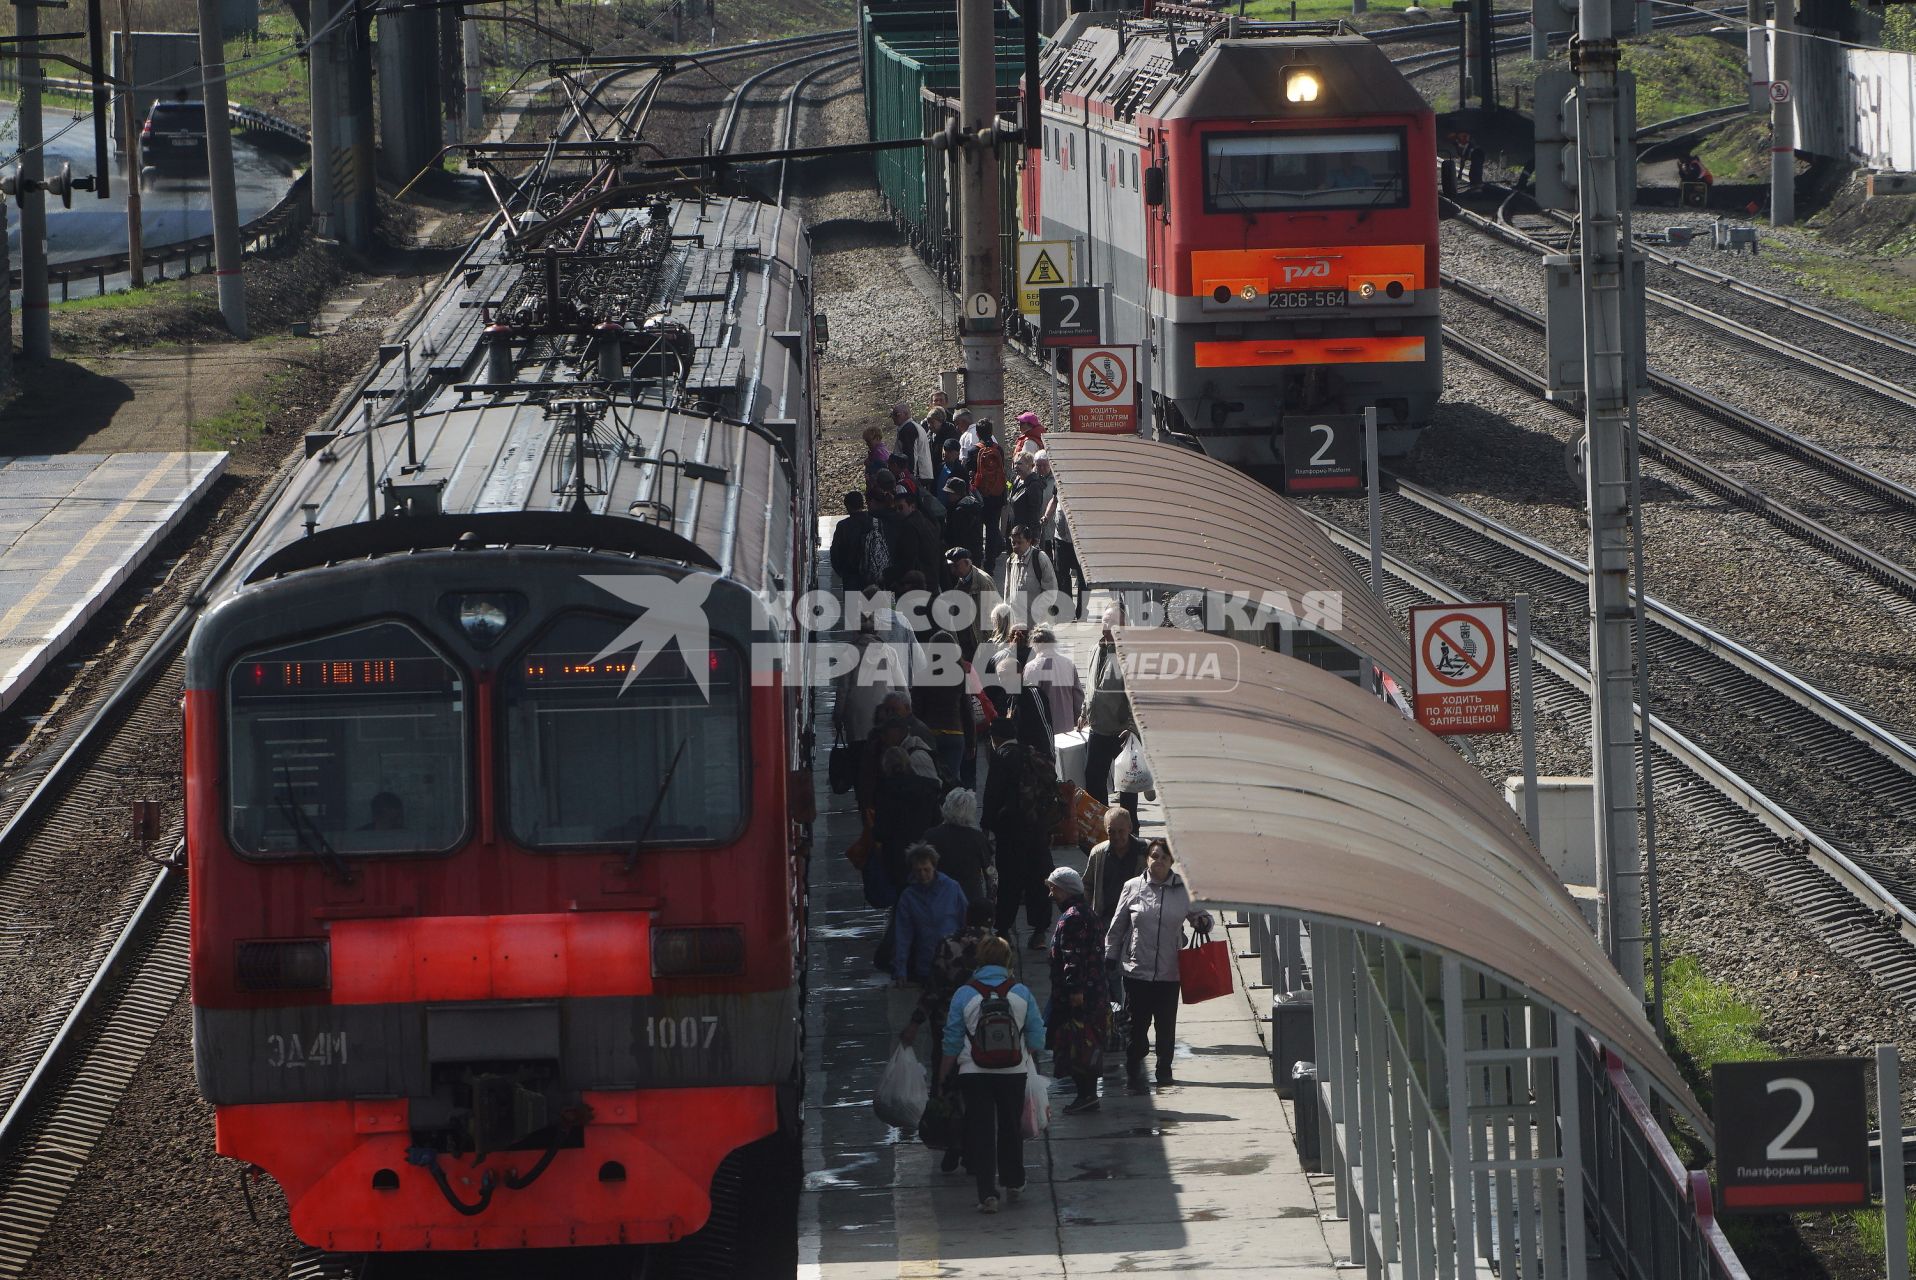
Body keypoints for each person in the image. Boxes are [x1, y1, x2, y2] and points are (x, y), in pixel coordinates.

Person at [940, 935, 1047, 1213]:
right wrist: (1026, 1054)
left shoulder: (965, 994)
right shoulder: (1021, 992)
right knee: (1011, 1127)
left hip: (973, 1072)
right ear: (1007, 960)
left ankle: (987, 1193)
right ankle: (1014, 1180)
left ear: (980, 960)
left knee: (982, 1130)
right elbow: (1037, 1039)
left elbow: (951, 1039)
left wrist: (943, 1074)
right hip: (1013, 1071)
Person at [1105, 839, 1214, 1094]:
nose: (1159, 861)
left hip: (1169, 971)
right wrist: (1110, 954)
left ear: (1171, 862)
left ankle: (1164, 1069)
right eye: (1155, 856)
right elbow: (1118, 924)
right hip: (1136, 970)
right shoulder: (1132, 887)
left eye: (1164, 857)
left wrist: (1203, 923)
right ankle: (1135, 1061)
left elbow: (1204, 917)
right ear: (1147, 859)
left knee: (1166, 1026)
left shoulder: (1183, 890)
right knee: (1137, 1026)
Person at [901, 901, 997, 1173]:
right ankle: (973, 1146)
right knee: (980, 1090)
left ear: (965, 916)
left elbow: (933, 989)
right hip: (985, 1028)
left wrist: (914, 1023)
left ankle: (951, 1143)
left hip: (946, 1026)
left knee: (946, 1086)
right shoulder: (997, 946)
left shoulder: (947, 943)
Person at [982, 719, 1060, 947]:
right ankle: (1039, 933)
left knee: (1009, 879)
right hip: (1038, 828)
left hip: (1011, 830)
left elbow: (992, 795)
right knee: (1039, 878)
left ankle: (1004, 930)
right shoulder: (1032, 754)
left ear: (994, 738)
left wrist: (986, 825)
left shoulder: (1002, 757)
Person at [1044, 866, 1111, 1115]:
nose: (1051, 895)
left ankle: (1086, 1094)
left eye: (1054, 889)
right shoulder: (1083, 912)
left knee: (1080, 1043)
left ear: (1064, 890)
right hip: (1091, 992)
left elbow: (1073, 957)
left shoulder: (1073, 917)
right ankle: (1087, 1093)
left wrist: (1075, 991)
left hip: (1080, 996)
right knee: (1085, 1042)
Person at [1081, 607, 1139, 821]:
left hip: (1122, 732)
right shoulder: (1094, 650)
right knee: (1093, 780)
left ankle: (1130, 830)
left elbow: (1138, 695)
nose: (1107, 628)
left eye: (1112, 623)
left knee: (1127, 786)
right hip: (1097, 729)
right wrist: (1083, 712)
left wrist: (1132, 727)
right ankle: (1102, 827)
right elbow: (1090, 684)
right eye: (1105, 622)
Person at [874, 744, 946, 898]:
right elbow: (937, 821)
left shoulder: (884, 791)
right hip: (925, 849)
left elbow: (881, 830)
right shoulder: (928, 787)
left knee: (903, 894)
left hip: (897, 854)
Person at [894, 844, 970, 985]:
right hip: (926, 963)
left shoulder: (952, 887)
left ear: (934, 867)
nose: (922, 875)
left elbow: (966, 921)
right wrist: (901, 969)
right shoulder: (908, 897)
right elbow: (903, 934)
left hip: (954, 960)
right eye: (918, 871)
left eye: (926, 870)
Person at [912, 622, 975, 784]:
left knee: (930, 780)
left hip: (929, 734)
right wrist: (971, 742)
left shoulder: (921, 677)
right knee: (952, 780)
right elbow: (967, 711)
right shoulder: (960, 677)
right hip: (955, 734)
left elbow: (916, 712)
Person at [922, 786, 994, 907]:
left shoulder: (930, 836)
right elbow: (990, 873)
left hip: (939, 898)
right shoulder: (978, 838)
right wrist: (990, 900)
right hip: (970, 900)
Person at [1083, 806, 1146, 928]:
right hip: (1105, 921)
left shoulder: (1145, 851)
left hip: (1138, 921)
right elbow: (1087, 885)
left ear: (1130, 828)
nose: (1116, 837)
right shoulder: (1098, 853)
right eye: (1111, 832)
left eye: (1121, 831)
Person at [1022, 626, 1084, 741]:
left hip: (1044, 729)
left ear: (1035, 644)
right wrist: (1079, 719)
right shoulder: (1068, 664)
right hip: (1067, 726)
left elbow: (1029, 701)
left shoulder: (1031, 667)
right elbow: (1078, 697)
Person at [968, 420, 1009, 569]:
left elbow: (969, 473)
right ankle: (990, 564)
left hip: (979, 496)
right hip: (996, 495)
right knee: (992, 530)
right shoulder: (999, 449)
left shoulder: (974, 451)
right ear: (992, 433)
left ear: (977, 433)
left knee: (978, 531)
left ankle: (978, 563)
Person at [943, 547, 998, 657]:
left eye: (956, 566)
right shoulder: (962, 579)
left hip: (980, 640)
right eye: (951, 567)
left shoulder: (983, 582)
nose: (953, 570)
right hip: (966, 638)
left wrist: (986, 643)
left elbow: (991, 615)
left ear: (967, 563)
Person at [1002, 525, 1058, 626]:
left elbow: (1051, 591)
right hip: (1017, 622)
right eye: (1013, 543)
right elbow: (1008, 589)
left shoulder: (1040, 558)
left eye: (1020, 542)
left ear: (1029, 541)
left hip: (1038, 622)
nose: (1016, 546)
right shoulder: (1010, 561)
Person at [942, 486, 989, 582]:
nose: (947, 496)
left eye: (949, 493)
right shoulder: (973, 504)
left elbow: (957, 536)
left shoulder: (959, 511)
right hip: (975, 552)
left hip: (962, 556)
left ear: (956, 494)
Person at [893, 401, 934, 489]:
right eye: (893, 415)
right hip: (922, 475)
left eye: (896, 414)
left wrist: (910, 476)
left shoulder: (908, 429)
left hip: (918, 476)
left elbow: (910, 454)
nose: (893, 417)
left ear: (906, 414)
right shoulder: (912, 427)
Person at [1008, 451, 1048, 538]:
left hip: (1026, 535)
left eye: (1019, 464)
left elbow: (1034, 514)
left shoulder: (1034, 485)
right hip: (1015, 531)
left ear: (1030, 465)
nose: (1016, 466)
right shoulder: (1017, 480)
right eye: (1015, 463)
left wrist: (1034, 537)